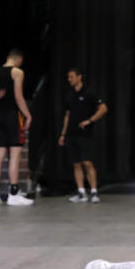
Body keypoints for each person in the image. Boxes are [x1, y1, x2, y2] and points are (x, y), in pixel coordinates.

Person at [0, 48, 33, 206]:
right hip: (12, 117)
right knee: (15, 156)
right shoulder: (17, 72)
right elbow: (18, 97)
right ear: (18, 60)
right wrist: (28, 115)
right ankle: (13, 194)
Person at [58, 67, 108, 203]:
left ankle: (94, 192)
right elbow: (67, 115)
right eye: (68, 77)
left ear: (79, 77)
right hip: (71, 134)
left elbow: (103, 108)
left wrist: (90, 120)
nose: (69, 80)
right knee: (76, 164)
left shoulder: (89, 92)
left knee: (87, 162)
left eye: (72, 77)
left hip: (85, 134)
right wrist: (63, 134)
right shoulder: (68, 94)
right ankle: (81, 192)